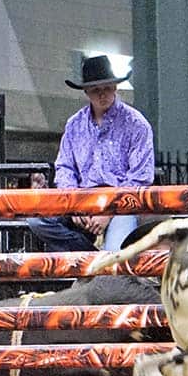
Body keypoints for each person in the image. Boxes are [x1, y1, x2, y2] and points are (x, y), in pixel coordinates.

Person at [28, 55, 154, 252]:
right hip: (83, 197)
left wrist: (110, 211)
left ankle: (93, 257)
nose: (102, 95)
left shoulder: (137, 124)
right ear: (87, 92)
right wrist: (74, 203)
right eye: (96, 90)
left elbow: (139, 178)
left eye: (107, 88)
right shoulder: (74, 125)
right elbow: (65, 168)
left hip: (121, 204)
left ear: (115, 87)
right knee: (38, 221)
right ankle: (92, 255)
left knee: (115, 251)